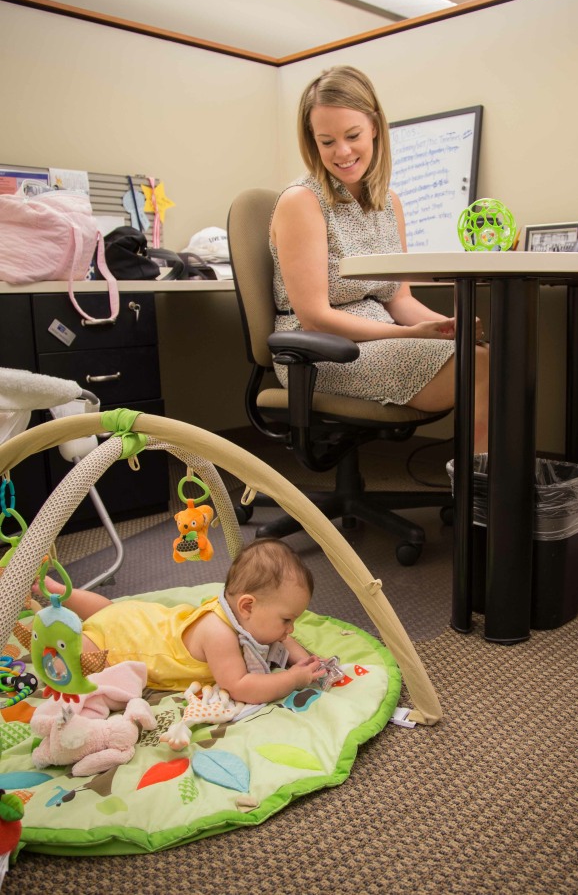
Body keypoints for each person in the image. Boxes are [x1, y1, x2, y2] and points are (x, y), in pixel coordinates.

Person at [269, 65, 490, 453]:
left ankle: (491, 495)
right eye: (327, 141)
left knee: (489, 354)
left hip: (380, 338)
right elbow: (315, 318)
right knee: (482, 368)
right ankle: (482, 505)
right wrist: (408, 335)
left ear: (374, 127)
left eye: (352, 135)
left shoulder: (388, 202)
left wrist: (444, 327)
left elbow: (398, 298)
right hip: (321, 352)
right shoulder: (301, 202)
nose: (342, 152)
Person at [39, 539, 326, 706]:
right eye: (287, 619)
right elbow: (242, 687)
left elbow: (282, 640)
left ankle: (54, 588)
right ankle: (51, 605)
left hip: (138, 618)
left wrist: (310, 662)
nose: (290, 630)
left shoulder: (245, 617)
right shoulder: (219, 634)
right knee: (81, 657)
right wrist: (293, 678)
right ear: (247, 605)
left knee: (110, 610)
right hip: (123, 642)